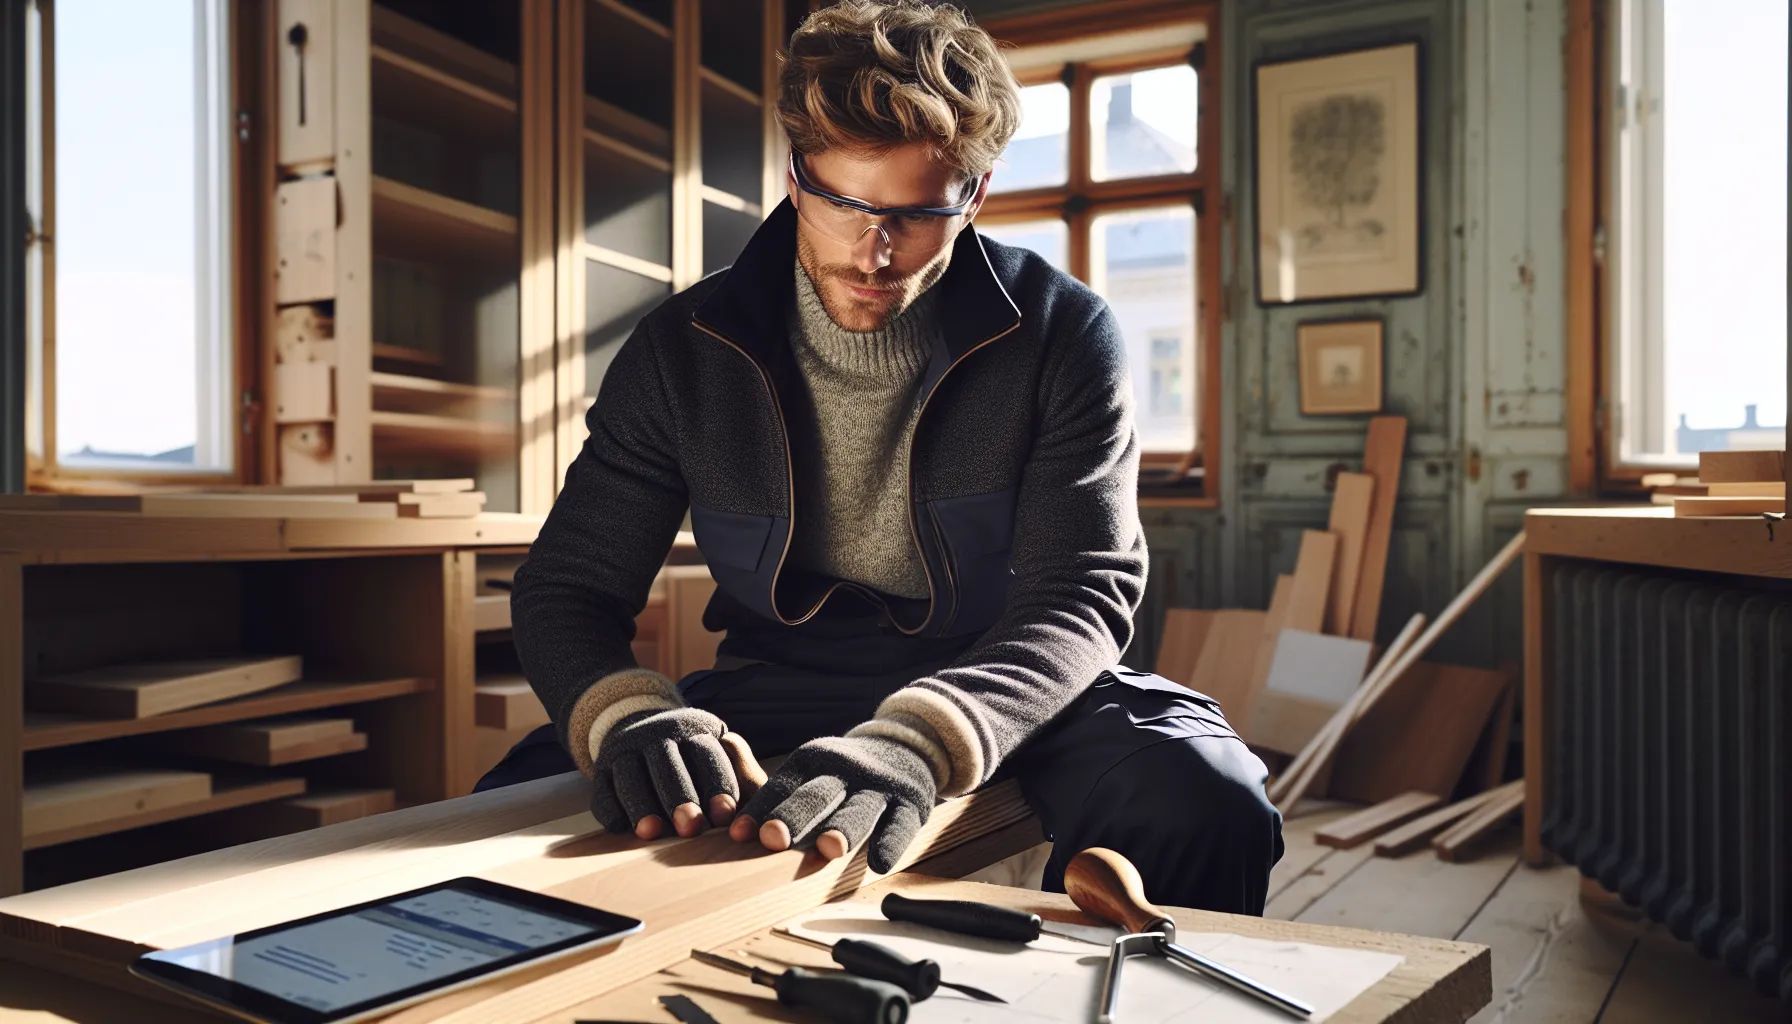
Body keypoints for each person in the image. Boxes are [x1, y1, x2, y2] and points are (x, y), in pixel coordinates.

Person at [484, 0, 1282, 913]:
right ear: (796, 179)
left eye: (915, 214)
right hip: (779, 681)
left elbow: (1080, 595)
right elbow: (568, 586)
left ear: (974, 196)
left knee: (1207, 800)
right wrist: (632, 714)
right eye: (844, 204)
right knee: (506, 804)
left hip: (1002, 673)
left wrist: (922, 739)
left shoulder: (1064, 332)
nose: (875, 252)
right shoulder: (683, 347)